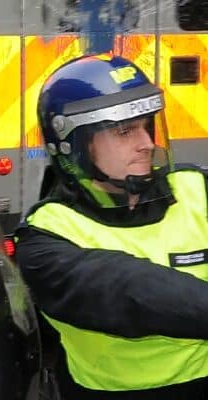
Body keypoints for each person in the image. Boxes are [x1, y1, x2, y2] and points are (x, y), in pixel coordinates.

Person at [14, 53, 208, 399]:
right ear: (74, 147)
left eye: (147, 126)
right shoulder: (45, 237)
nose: (147, 143)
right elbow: (128, 288)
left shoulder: (196, 189)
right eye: (124, 131)